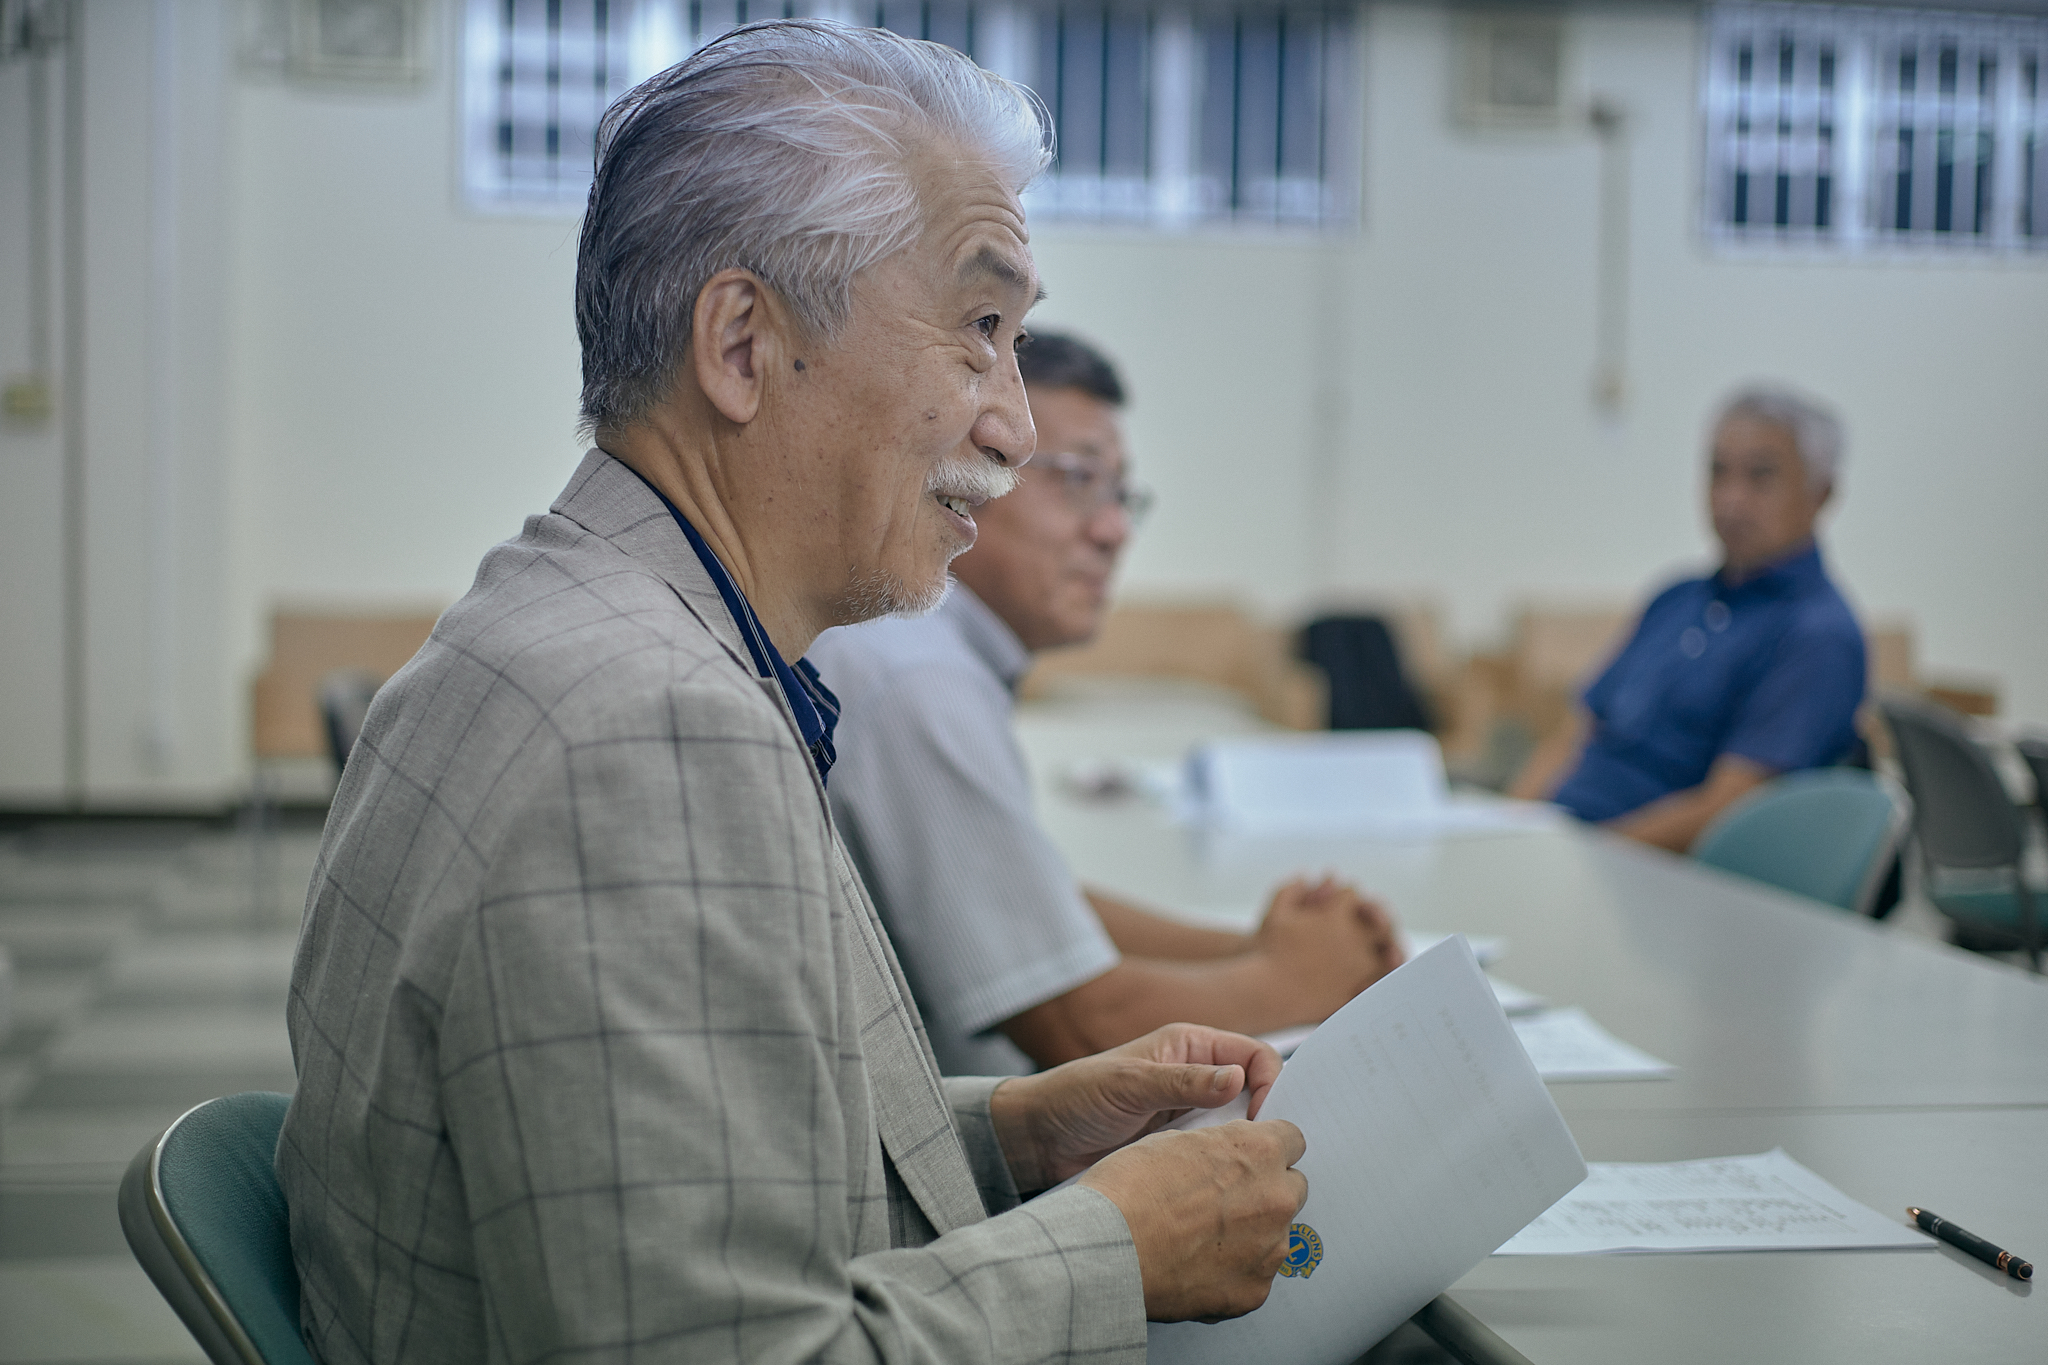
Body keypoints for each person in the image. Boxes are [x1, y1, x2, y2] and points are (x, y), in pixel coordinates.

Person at [276, 24, 1308, 1364]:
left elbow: (671, 1157)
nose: (1016, 424)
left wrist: (1008, 1135)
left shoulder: (553, 617)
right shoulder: (647, 733)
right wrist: (1113, 1244)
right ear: (745, 344)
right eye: (980, 330)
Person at [811, 333, 1405, 1075]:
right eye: (1079, 480)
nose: (1115, 530)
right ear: (964, 468)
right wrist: (1302, 979)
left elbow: (1035, 903)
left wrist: (1259, 947)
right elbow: (1082, 1026)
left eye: (1121, 494)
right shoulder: (917, 676)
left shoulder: (912, 646)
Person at [1510, 385, 1867, 852]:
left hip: (1646, 878)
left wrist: (1578, 858)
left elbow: (1729, 809)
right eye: (1718, 473)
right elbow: (1573, 735)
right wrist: (1507, 828)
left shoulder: (1816, 636)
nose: (1731, 499)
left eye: (1760, 477)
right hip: (1559, 848)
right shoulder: (1675, 598)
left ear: (1821, 493)